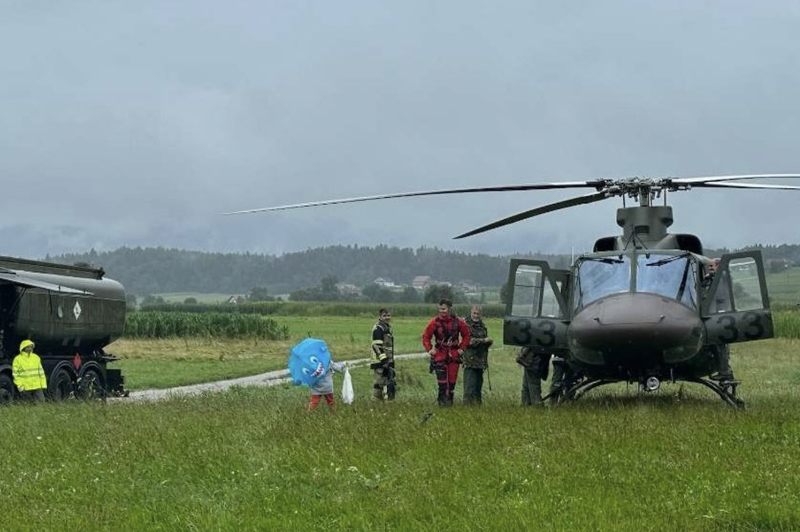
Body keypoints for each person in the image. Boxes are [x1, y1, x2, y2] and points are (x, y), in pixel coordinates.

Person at [422, 298, 470, 407]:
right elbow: (426, 336)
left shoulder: (458, 322)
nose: (442, 311)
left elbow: (467, 335)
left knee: (452, 383)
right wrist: (429, 349)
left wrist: (462, 348)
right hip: (440, 355)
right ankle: (441, 404)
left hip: (454, 355)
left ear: (449, 309)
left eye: (444, 309)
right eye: (440, 309)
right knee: (442, 383)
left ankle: (449, 404)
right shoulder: (434, 322)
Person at [704, 258, 735, 382]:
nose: (710, 269)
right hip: (720, 313)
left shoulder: (722, 277)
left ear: (719, 266)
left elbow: (719, 294)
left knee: (720, 343)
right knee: (719, 344)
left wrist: (709, 276)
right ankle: (724, 371)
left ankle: (725, 372)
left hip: (721, 314)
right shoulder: (720, 277)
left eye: (712, 266)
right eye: (709, 267)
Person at [462, 305, 493, 405]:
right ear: (471, 312)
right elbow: (467, 342)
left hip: (480, 361)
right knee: (469, 387)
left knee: (478, 387)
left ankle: (477, 408)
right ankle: (467, 408)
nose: (476, 315)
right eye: (474, 313)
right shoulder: (465, 324)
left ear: (481, 314)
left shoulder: (482, 326)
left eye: (478, 314)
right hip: (470, 361)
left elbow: (484, 342)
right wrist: (483, 340)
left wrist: (488, 342)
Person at [370, 307, 396, 400]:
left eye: (388, 315)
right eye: (384, 316)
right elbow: (376, 346)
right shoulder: (378, 329)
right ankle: (376, 404)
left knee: (387, 384)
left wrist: (390, 361)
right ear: (380, 316)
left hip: (387, 361)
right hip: (379, 362)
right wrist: (384, 360)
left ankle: (384, 404)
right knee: (378, 385)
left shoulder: (387, 328)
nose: (387, 317)